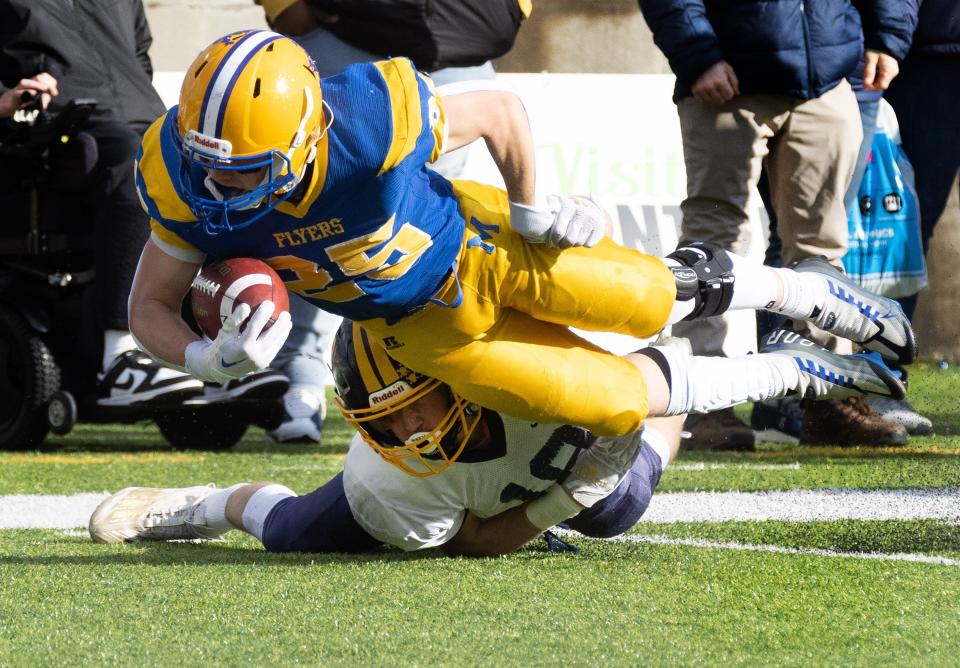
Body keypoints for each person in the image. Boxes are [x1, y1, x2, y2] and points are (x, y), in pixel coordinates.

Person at [129, 31, 914, 445]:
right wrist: (204, 358)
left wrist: (533, 206)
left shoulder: (368, 119)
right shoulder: (183, 171)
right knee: (608, 402)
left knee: (644, 298)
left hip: (477, 241)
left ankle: (804, 291)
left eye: (244, 170)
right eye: (205, 165)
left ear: (305, 138)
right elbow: (149, 306)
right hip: (422, 331)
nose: (217, 186)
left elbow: (500, 113)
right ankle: (796, 373)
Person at [89, 319, 893, 555]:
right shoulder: (389, 474)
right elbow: (473, 541)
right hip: (442, 506)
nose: (408, 429)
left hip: (559, 431)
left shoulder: (535, 374)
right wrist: (552, 507)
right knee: (295, 530)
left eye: (416, 405)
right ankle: (204, 505)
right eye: (385, 418)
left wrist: (610, 457)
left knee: (619, 501)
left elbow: (669, 360)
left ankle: (643, 443)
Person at [637, 0, 918, 450]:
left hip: (827, 80)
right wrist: (698, 55)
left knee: (822, 249)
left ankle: (828, 404)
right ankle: (704, 406)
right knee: (712, 247)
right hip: (725, 80)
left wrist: (888, 35)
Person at [251, 0, 529, 444]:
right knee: (309, 214)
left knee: (431, 235)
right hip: (349, 40)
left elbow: (499, 112)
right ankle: (300, 374)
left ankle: (430, 386)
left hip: (455, 45)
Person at [0, 0, 206, 406]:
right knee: (130, 157)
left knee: (218, 165)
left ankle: (214, 348)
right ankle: (121, 355)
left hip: (141, 116)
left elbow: (138, 54)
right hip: (56, 128)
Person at [881, 0, 960, 433]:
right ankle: (878, 376)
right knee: (902, 223)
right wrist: (888, 37)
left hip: (928, 50)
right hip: (924, 55)